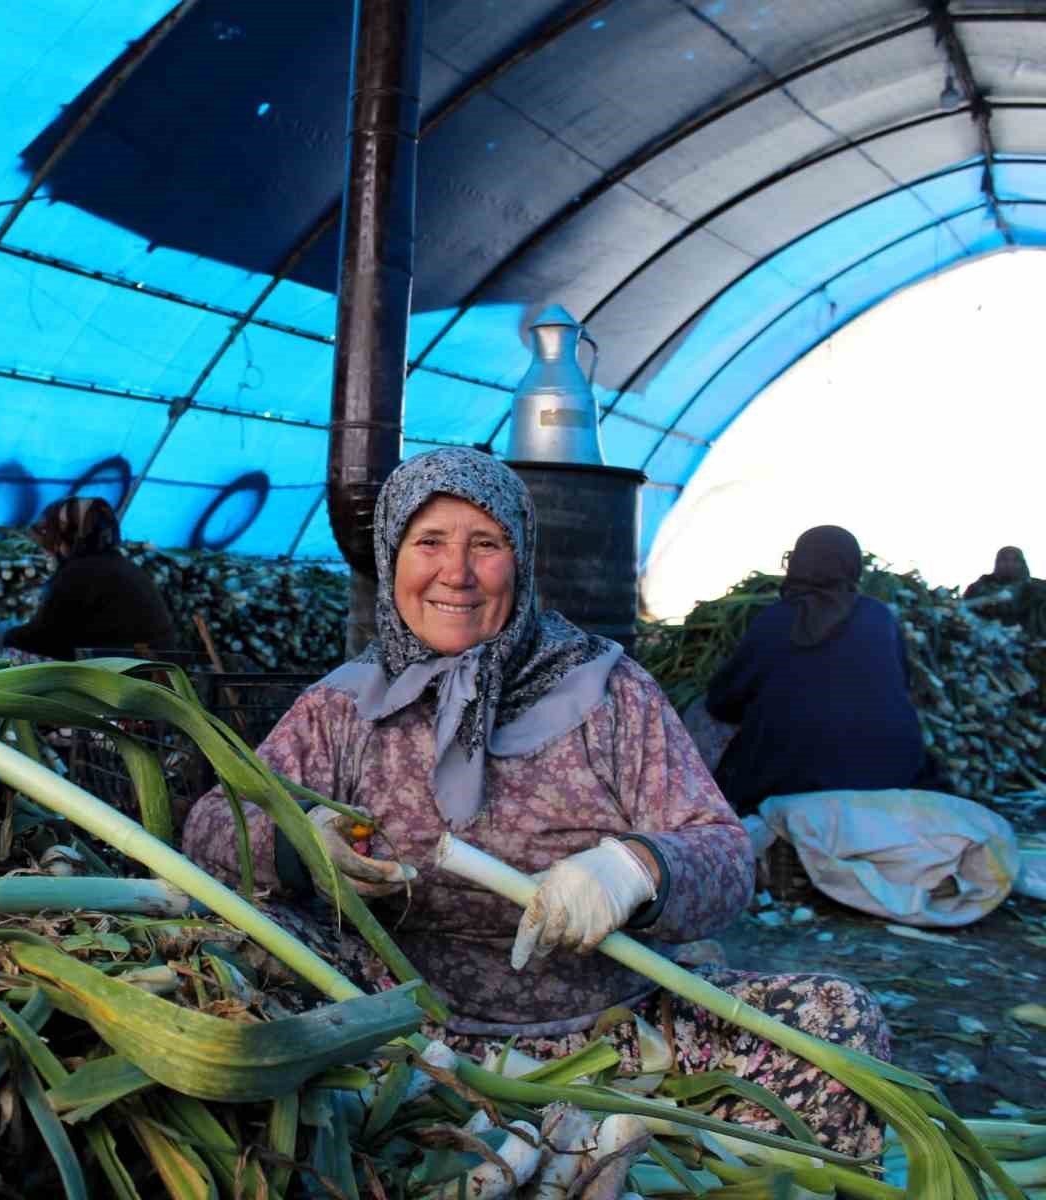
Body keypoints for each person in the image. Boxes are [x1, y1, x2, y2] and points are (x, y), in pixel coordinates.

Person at [182, 448, 888, 1157]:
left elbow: (726, 856)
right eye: (429, 542)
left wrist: (636, 870)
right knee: (225, 965)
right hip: (387, 1042)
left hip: (616, 1041)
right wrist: (298, 844)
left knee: (837, 1022)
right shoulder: (342, 706)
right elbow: (211, 826)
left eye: (484, 545)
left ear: (520, 559)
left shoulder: (610, 692)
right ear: (391, 555)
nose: (455, 573)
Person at [706, 525, 930, 816]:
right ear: (853, 566)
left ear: (797, 564)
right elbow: (901, 686)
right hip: (892, 774)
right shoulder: (879, 616)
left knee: (707, 720)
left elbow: (722, 701)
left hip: (791, 783)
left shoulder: (775, 620)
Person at [0, 496, 178, 661]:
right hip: (153, 667)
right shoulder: (117, 564)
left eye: (49, 534)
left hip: (130, 676)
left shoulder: (80, 573)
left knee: (15, 660)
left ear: (66, 535)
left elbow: (46, 638)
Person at [963, 545, 1033, 625]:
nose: (1009, 564)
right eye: (1004, 560)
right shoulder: (977, 588)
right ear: (997, 562)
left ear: (1022, 564)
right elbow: (963, 611)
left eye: (1015, 560)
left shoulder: (1034, 589)